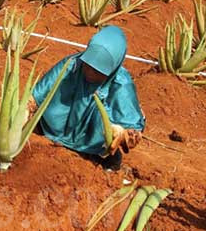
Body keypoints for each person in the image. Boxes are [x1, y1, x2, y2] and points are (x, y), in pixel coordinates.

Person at [30, 26, 145, 172]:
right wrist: (27, 109)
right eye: (88, 66)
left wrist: (123, 134)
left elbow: (133, 128)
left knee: (108, 135)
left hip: (93, 140)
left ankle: (105, 157)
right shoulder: (72, 65)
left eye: (98, 71)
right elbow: (39, 93)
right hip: (56, 126)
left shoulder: (121, 84)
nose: (90, 73)